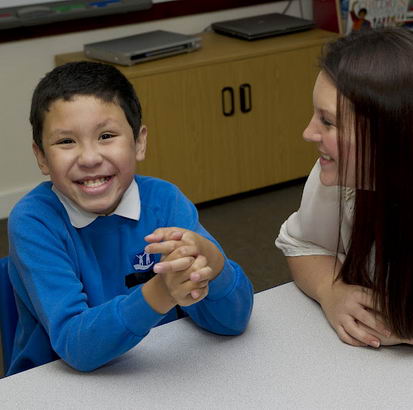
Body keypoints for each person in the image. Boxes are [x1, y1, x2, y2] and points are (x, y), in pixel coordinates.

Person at [7, 61, 253, 376]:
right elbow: (76, 347)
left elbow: (232, 321)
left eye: (106, 135)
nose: (90, 158)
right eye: (66, 141)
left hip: (154, 370)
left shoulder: (165, 201)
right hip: (57, 381)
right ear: (41, 156)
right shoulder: (34, 222)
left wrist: (215, 265)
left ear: (139, 142)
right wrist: (160, 293)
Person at [276, 28, 413, 349]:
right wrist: (329, 289)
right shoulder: (342, 174)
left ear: (388, 135)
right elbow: (303, 244)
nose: (308, 133)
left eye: (328, 122)